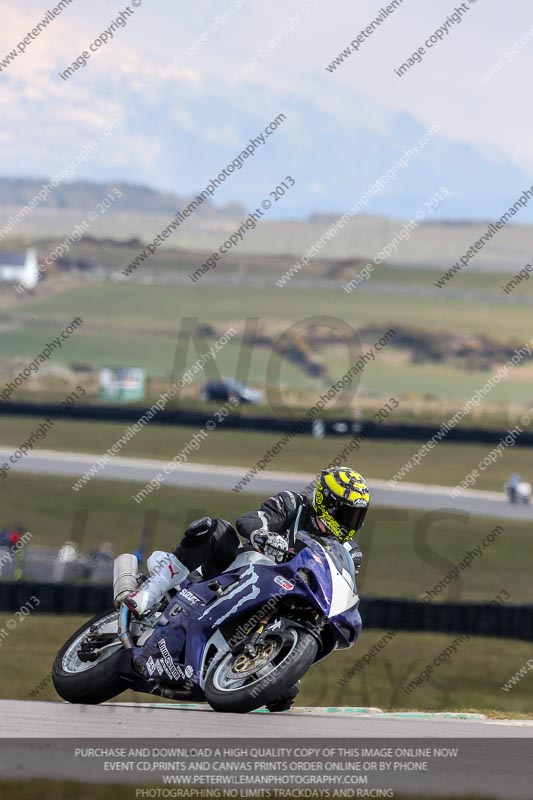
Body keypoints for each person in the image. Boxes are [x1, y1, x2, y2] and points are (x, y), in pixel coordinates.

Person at [126, 466, 369, 711]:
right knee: (214, 529)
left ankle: (240, 661)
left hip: (287, 601)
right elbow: (251, 520)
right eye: (347, 513)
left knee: (285, 694)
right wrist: (263, 536)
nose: (351, 522)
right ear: (325, 503)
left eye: (357, 515)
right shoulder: (293, 504)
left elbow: (342, 584)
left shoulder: (350, 551)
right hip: (238, 572)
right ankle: (150, 592)